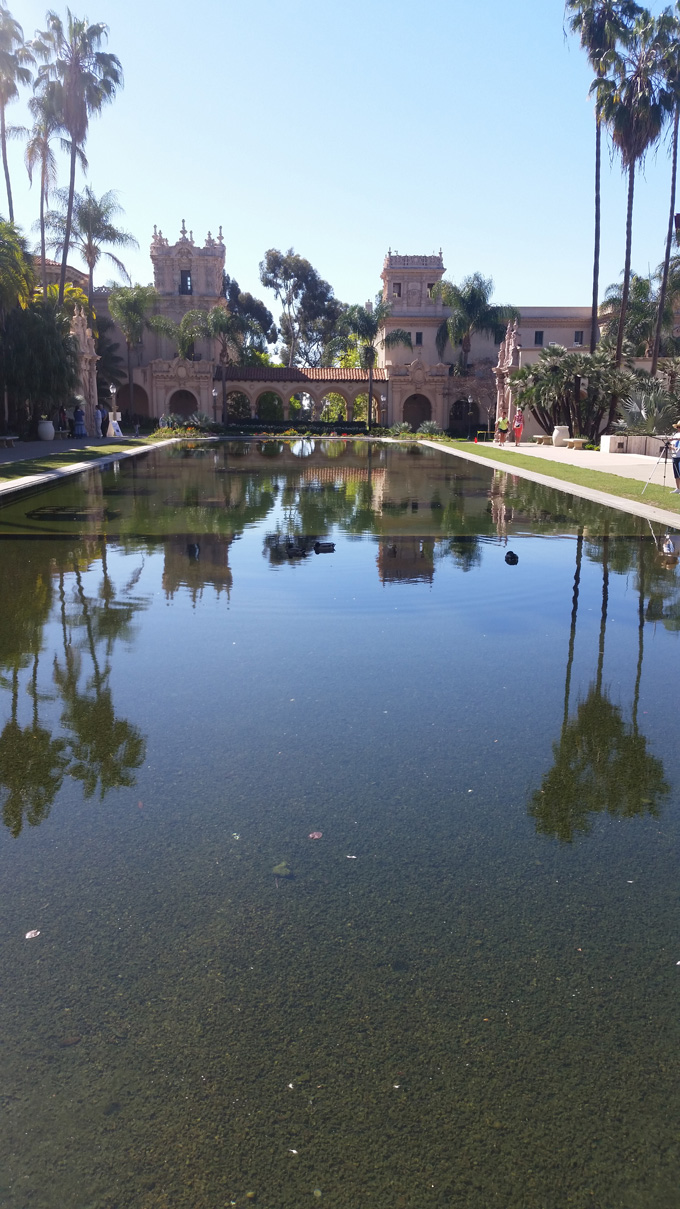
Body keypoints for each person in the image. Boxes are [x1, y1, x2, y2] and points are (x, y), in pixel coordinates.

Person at [671, 422, 680, 493]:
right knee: (676, 472)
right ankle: (678, 488)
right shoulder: (675, 435)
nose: (678, 429)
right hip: (675, 455)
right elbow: (672, 444)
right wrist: (672, 447)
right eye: (678, 427)